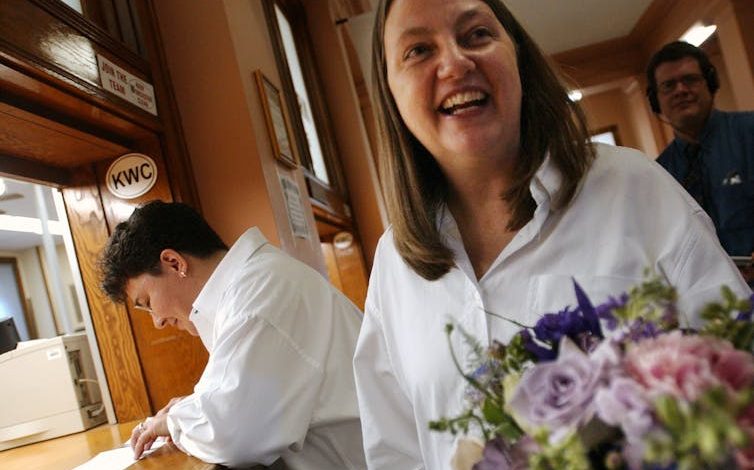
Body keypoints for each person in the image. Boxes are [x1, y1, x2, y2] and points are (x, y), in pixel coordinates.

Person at [352, 1, 752, 469]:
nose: (456, 62)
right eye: (418, 50)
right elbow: (395, 453)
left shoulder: (633, 187)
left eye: (477, 34)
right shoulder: (394, 261)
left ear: (518, 58)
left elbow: (740, 366)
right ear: (390, 93)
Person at [99, 200, 366, 470]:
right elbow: (234, 398)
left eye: (146, 302)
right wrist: (193, 410)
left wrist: (172, 421)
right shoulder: (254, 281)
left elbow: (234, 436)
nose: (157, 321)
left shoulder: (257, 295)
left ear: (174, 262)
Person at [646, 41, 754, 280]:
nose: (681, 90)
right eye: (668, 85)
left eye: (690, 79)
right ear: (656, 101)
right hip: (714, 306)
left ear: (711, 84)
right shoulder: (659, 173)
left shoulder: (750, 132)